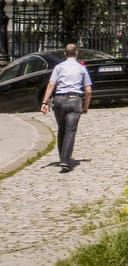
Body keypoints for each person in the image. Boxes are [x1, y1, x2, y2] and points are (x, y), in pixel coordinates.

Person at [40, 43, 92, 172]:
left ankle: (62, 157)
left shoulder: (59, 67)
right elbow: (88, 90)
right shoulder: (81, 68)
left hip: (59, 100)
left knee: (62, 129)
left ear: (65, 54)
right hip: (75, 100)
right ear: (76, 53)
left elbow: (51, 85)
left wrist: (44, 102)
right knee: (70, 130)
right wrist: (86, 107)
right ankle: (65, 160)